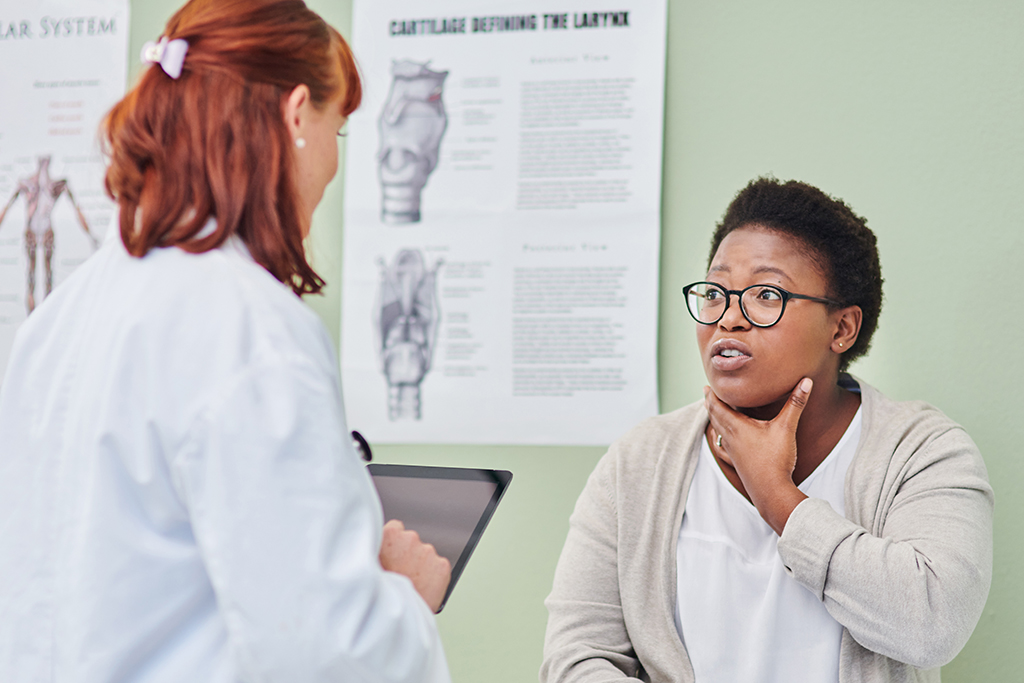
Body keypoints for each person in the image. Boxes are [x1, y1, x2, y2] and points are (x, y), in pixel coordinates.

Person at [0, 1, 452, 681]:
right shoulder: (249, 326)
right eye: (341, 130)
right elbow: (324, 655)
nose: (333, 163)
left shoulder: (57, 320)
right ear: (298, 115)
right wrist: (404, 597)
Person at [541, 178, 993, 683]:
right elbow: (578, 659)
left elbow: (932, 627)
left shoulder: (923, 451)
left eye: (765, 294)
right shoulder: (641, 460)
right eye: (715, 292)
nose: (728, 319)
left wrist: (778, 497)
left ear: (841, 328)